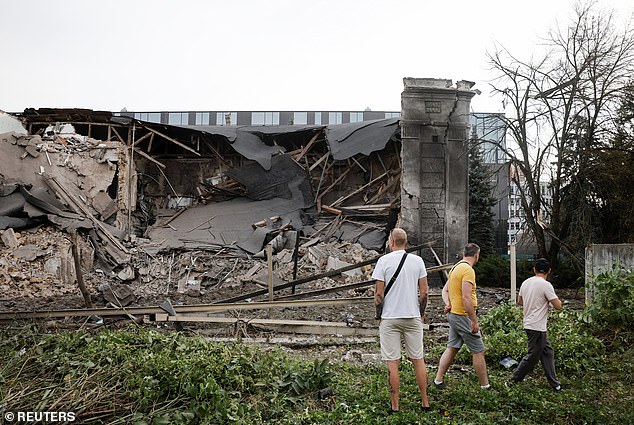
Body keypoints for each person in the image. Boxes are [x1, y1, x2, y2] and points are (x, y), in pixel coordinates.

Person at [373, 228, 430, 413]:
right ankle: (424, 402)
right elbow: (425, 293)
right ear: (406, 242)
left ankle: (395, 406)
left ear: (391, 242)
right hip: (412, 317)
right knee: (418, 359)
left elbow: (379, 294)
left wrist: (378, 316)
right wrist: (420, 313)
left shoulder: (383, 261)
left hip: (390, 318)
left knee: (392, 361)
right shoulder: (418, 261)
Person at [433, 243, 492, 390]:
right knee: (478, 350)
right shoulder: (467, 270)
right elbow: (466, 298)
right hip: (463, 316)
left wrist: (448, 303)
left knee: (452, 347)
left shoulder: (456, 268)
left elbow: (445, 290)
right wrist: (473, 320)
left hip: (454, 315)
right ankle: (485, 386)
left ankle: (438, 381)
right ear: (476, 255)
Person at [511, 258, 563, 391]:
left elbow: (520, 301)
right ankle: (513, 380)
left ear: (534, 269)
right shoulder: (546, 285)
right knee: (533, 355)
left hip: (529, 322)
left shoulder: (526, 283)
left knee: (547, 352)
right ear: (549, 271)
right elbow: (558, 306)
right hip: (537, 326)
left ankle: (555, 384)